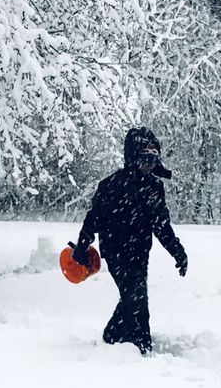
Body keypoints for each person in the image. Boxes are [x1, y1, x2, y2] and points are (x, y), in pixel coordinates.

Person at [71, 127, 188, 356]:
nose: (150, 164)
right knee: (137, 298)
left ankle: (113, 335)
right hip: (115, 251)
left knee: (132, 296)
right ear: (133, 158)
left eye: (154, 159)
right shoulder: (112, 185)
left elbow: (161, 225)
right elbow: (93, 218)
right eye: (145, 158)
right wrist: (82, 246)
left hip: (140, 252)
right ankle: (142, 350)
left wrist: (178, 252)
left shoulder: (154, 187)